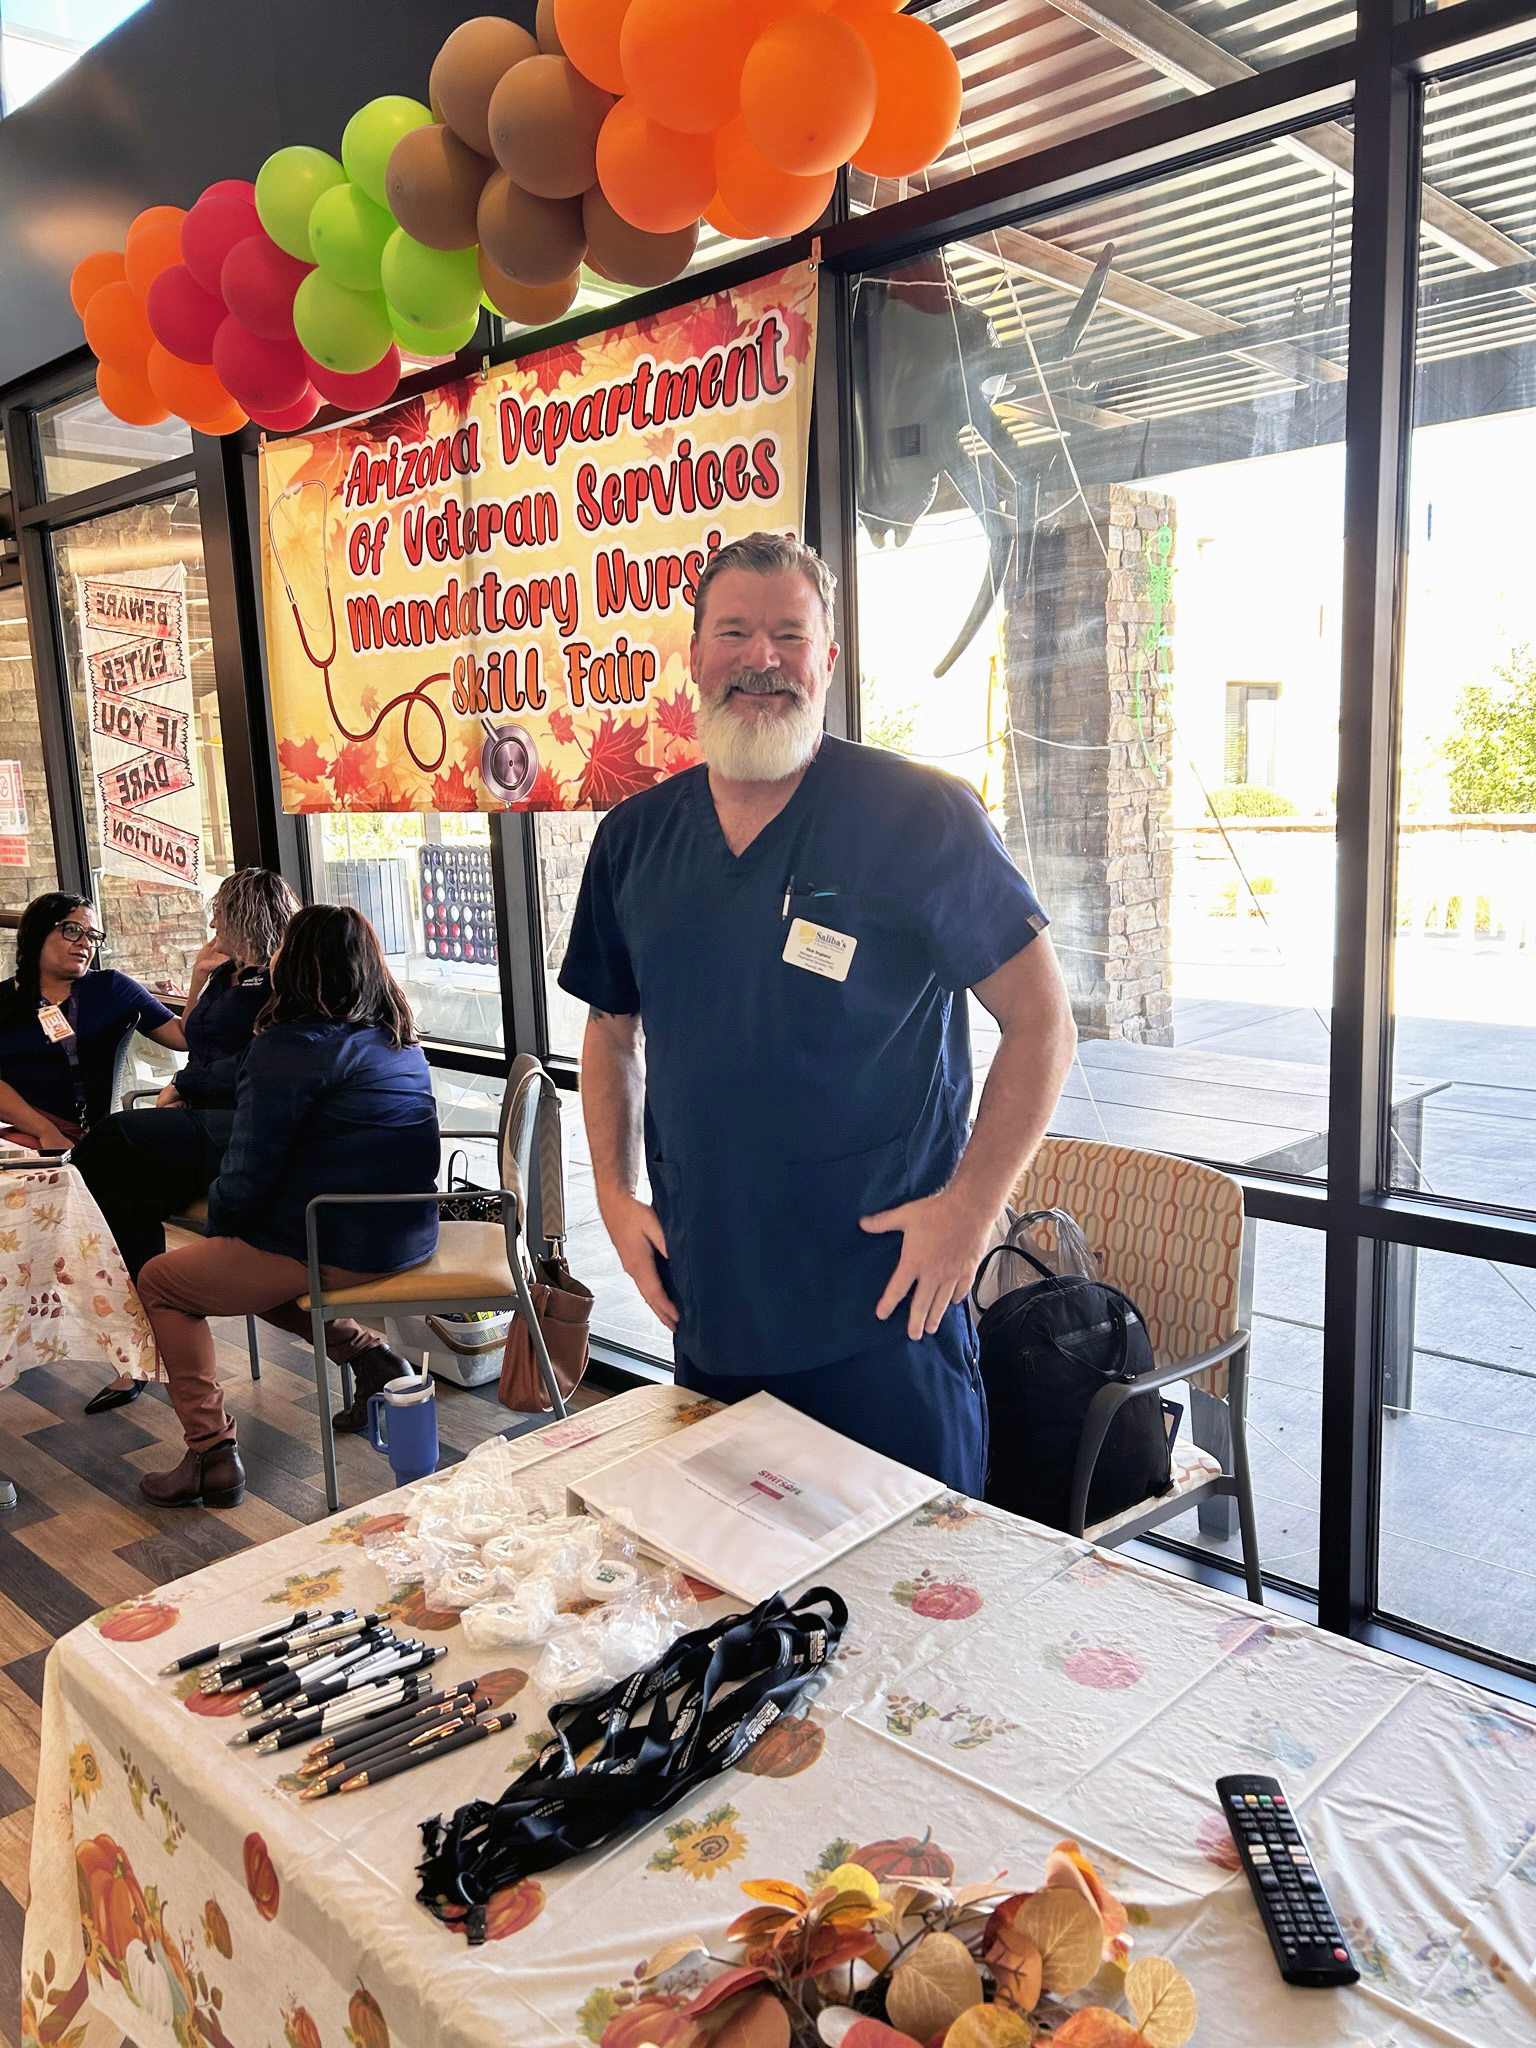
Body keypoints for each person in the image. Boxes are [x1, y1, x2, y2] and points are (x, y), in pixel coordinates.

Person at [558, 532, 1076, 1493]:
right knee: (743, 1609)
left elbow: (1044, 1019)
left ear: (827, 660)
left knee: (915, 1607)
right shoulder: (636, 838)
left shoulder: (919, 816)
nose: (762, 658)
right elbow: (610, 1030)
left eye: (790, 634)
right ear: (695, 657)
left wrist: (972, 1209)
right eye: (736, 631)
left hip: (888, 1314)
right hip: (711, 1311)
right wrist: (613, 1196)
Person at [134, 904, 439, 1509]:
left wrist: (221, 1235)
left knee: (164, 1281)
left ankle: (210, 1453)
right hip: (408, 1231)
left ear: (291, 963)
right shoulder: (397, 1037)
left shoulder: (288, 1048)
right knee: (256, 1277)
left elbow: (246, 1175)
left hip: (336, 1240)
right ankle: (370, 1355)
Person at [71, 867, 301, 1412]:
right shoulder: (228, 973)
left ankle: (148, 1322)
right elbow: (193, 1039)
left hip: (238, 1124)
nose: (213, 921)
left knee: (105, 1148)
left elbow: (254, 1069)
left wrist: (181, 1084)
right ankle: (148, 1326)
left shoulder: (281, 980)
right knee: (123, 1185)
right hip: (205, 1113)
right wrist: (199, 979)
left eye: (222, 911)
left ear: (246, 915)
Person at [0, 892, 187, 1153]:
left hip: (98, 1135)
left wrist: (202, 976)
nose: (85, 943)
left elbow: (182, 1036)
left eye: (92, 935)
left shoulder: (111, 987)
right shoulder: (4, 1000)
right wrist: (45, 1132)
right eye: (73, 930)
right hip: (25, 1134)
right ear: (37, 934)